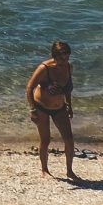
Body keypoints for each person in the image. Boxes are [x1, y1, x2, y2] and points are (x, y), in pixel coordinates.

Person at [26, 40, 78, 180]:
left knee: (69, 139)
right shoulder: (44, 68)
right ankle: (44, 170)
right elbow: (29, 88)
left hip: (59, 108)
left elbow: (67, 89)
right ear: (54, 56)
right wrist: (32, 110)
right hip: (41, 107)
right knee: (45, 140)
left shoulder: (68, 67)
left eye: (67, 57)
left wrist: (69, 105)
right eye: (61, 58)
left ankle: (69, 171)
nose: (64, 61)